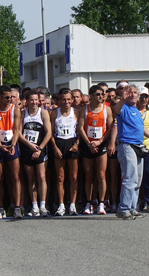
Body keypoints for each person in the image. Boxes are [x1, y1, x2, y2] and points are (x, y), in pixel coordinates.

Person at [77, 85, 115, 215]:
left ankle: (101, 203)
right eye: (98, 94)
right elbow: (80, 127)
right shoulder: (85, 109)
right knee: (88, 176)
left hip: (101, 144)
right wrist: (89, 143)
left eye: (103, 94)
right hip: (88, 145)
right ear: (91, 96)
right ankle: (88, 202)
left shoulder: (107, 109)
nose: (101, 96)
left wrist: (100, 141)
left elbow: (110, 127)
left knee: (101, 174)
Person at [18, 90, 52, 217]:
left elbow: (49, 132)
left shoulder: (43, 113)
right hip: (27, 148)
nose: (34, 102)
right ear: (27, 101)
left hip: (40, 149)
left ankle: (43, 205)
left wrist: (39, 149)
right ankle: (34, 206)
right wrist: (29, 145)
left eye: (36, 100)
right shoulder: (23, 114)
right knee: (30, 178)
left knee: (41, 177)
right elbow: (19, 133)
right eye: (31, 100)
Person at [0, 85, 23, 219]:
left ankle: (17, 207)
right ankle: (0, 207)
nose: (10, 99)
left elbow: (16, 129)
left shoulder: (14, 109)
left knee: (15, 176)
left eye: (11, 97)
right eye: (6, 97)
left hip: (11, 144)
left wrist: (13, 144)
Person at [112, 83, 143, 220]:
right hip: (127, 145)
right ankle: (123, 208)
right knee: (130, 177)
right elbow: (115, 109)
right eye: (130, 92)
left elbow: (141, 129)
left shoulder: (137, 110)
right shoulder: (123, 107)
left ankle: (132, 207)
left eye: (135, 92)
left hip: (139, 146)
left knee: (138, 179)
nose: (133, 95)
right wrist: (123, 99)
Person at [50, 88, 80, 216]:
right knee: (60, 177)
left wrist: (77, 144)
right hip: (59, 143)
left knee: (73, 177)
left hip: (72, 143)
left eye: (68, 99)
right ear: (59, 100)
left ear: (72, 100)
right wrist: (55, 147)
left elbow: (80, 131)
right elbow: (50, 133)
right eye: (64, 99)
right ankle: (61, 205)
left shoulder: (77, 112)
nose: (66, 102)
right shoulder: (54, 113)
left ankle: (72, 205)